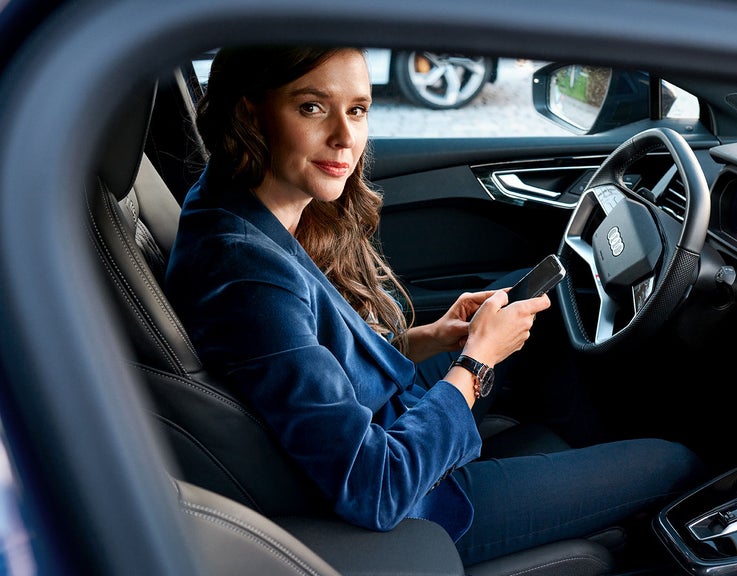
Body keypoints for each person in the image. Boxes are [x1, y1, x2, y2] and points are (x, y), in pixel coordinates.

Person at [164, 44, 706, 566]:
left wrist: (434, 337)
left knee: (532, 292)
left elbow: (310, 352)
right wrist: (474, 365)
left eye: (357, 110)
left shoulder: (232, 205)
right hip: (415, 497)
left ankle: (578, 459)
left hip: (392, 415)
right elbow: (373, 486)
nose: (344, 138)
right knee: (676, 461)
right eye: (312, 107)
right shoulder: (245, 275)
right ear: (250, 114)